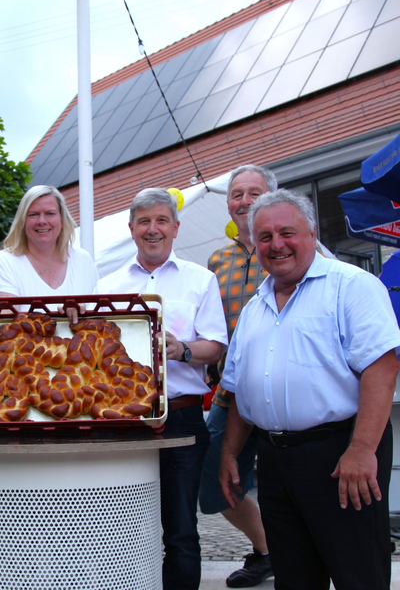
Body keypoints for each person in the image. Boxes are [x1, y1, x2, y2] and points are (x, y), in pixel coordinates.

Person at [219, 190, 400, 590]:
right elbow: (238, 390)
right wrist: (231, 453)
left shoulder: (351, 285)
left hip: (341, 454)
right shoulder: (254, 307)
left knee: (358, 575)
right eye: (264, 237)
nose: (276, 244)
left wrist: (362, 449)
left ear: (312, 232)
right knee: (295, 577)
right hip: (275, 460)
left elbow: (382, 367)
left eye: (287, 232)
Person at [97, 188, 227, 590]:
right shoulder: (107, 284)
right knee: (123, 528)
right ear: (132, 229)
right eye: (144, 222)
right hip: (124, 420)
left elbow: (216, 346)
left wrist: (181, 349)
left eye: (161, 221)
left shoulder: (201, 280)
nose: (153, 229)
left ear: (175, 227)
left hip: (183, 416)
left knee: (181, 529)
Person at [198, 165, 274, 588]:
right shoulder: (217, 260)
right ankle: (270, 549)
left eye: (253, 192)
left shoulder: (303, 249)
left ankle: (290, 554)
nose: (244, 201)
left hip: (286, 391)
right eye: (236, 194)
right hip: (232, 395)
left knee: (294, 484)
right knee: (213, 478)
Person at [0, 185, 98, 308]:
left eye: (50, 213)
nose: (42, 221)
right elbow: (4, 325)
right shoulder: (3, 262)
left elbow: (102, 319)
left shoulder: (83, 260)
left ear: (62, 221)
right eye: (33, 214)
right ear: (22, 222)